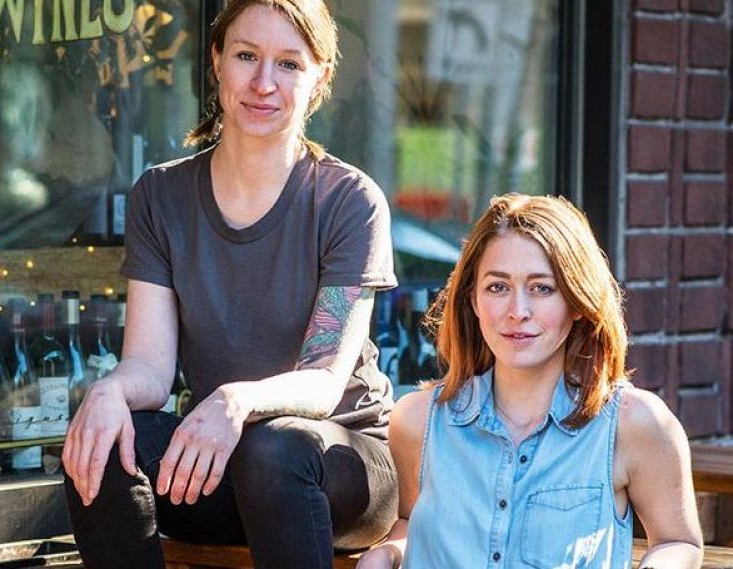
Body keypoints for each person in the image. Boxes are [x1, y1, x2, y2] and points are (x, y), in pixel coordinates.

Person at [61, 1, 399, 568]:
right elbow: (148, 366)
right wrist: (108, 392)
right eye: (246, 56)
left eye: (289, 63)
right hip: (222, 463)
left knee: (274, 449)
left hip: (339, 464)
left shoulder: (349, 200)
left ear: (319, 77)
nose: (263, 83)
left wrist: (237, 399)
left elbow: (322, 380)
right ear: (217, 62)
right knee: (104, 446)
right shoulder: (161, 196)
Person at [358, 194, 703, 569]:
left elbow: (678, 541)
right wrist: (387, 553)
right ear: (473, 300)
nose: (517, 312)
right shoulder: (417, 421)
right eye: (497, 287)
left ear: (576, 300)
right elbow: (411, 522)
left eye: (542, 288)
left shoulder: (635, 424)